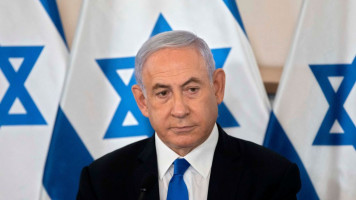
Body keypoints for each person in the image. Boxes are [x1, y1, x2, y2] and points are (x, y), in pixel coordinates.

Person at [77, 30, 301, 200]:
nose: (180, 110)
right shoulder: (102, 181)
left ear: (217, 87)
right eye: (163, 93)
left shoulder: (272, 177)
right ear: (142, 102)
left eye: (192, 89)